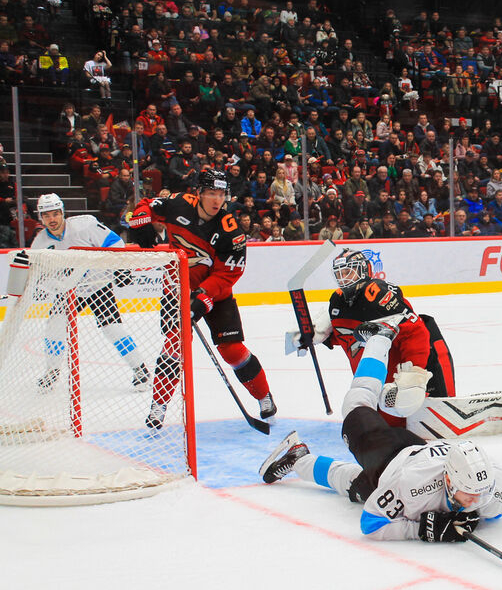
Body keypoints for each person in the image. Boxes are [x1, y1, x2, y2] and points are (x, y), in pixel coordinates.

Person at [261, 318, 502, 542]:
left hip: (412, 460)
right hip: (388, 453)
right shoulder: (413, 485)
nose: (476, 502)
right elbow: (371, 524)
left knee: (354, 485)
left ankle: (298, 458)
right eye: (470, 495)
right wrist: (422, 530)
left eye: (481, 495)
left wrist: (473, 517)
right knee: (356, 405)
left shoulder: (496, 491)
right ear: (448, 481)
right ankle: (379, 339)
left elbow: (491, 511)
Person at [127, 170, 277, 428]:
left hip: (216, 294)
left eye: (221, 194)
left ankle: (264, 396)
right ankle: (159, 405)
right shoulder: (177, 204)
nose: (216, 200)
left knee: (232, 351)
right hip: (177, 288)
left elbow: (229, 273)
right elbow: (145, 205)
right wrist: (141, 223)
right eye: (211, 193)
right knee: (173, 347)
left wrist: (203, 296)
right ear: (199, 194)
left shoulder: (231, 231)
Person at [292, 249, 456, 426]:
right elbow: (348, 337)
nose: (343, 277)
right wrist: (316, 336)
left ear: (363, 270)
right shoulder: (337, 300)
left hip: (417, 360)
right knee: (384, 422)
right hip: (377, 378)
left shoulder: (376, 292)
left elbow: (416, 332)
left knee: (423, 416)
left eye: (348, 271)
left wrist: (413, 374)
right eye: (339, 273)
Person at [27, 193, 150, 390]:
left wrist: (120, 267)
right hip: (69, 291)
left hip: (97, 285)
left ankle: (140, 369)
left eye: (55, 214)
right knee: (54, 327)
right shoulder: (40, 244)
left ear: (62, 213)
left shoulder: (84, 225)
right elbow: (40, 273)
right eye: (46, 215)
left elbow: (114, 241)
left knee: (112, 329)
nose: (52, 219)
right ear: (41, 218)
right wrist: (50, 285)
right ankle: (52, 372)